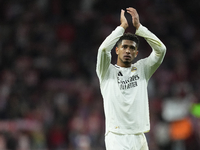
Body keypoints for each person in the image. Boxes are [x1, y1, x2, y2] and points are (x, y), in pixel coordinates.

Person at [96, 7, 166, 150]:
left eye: (132, 48)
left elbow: (161, 50)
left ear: (136, 53)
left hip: (139, 135)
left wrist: (140, 28)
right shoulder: (106, 71)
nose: (128, 50)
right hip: (117, 136)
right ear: (117, 50)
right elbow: (103, 49)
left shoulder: (142, 69)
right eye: (124, 47)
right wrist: (122, 28)